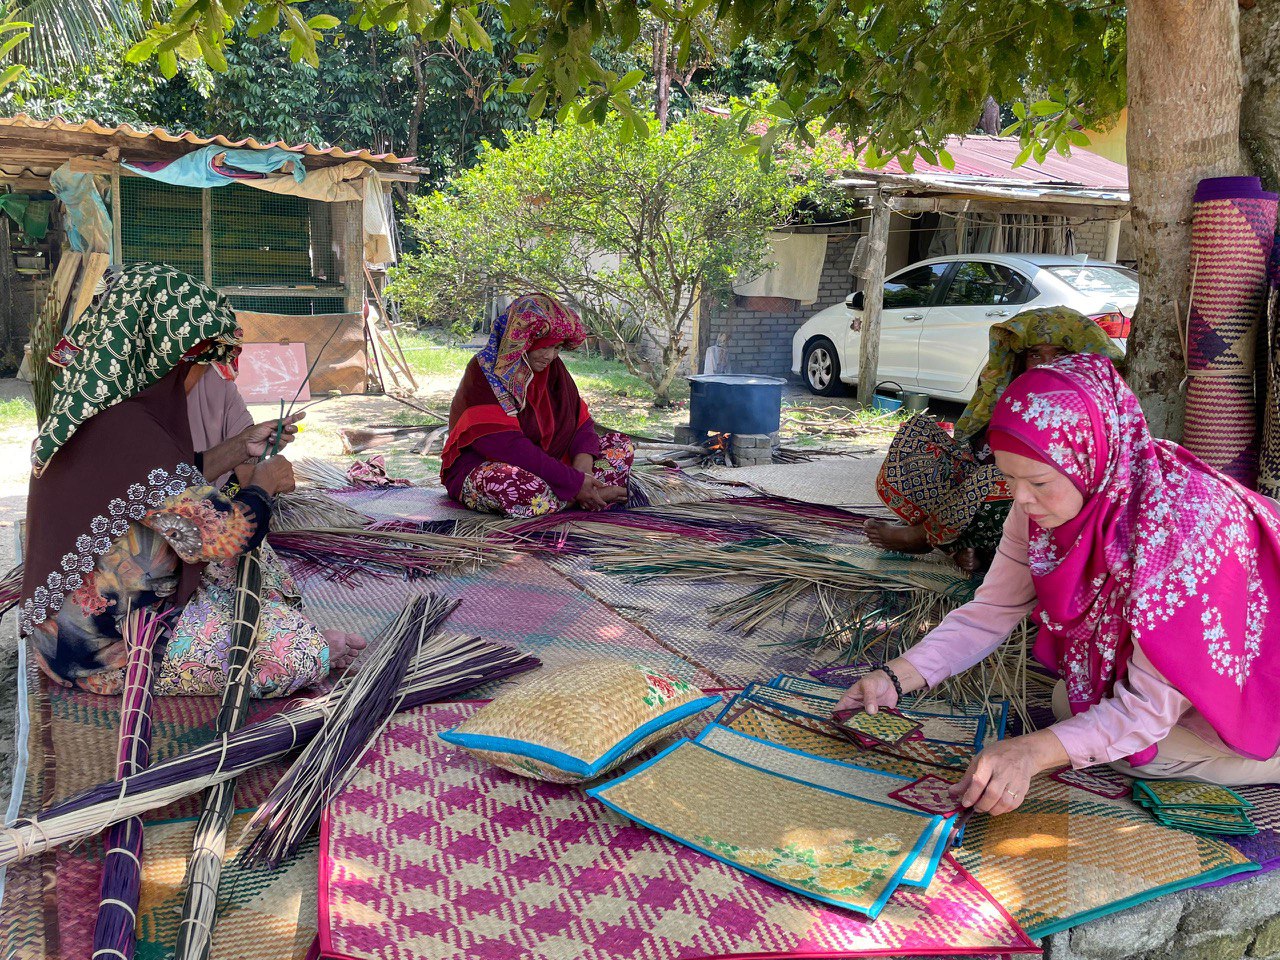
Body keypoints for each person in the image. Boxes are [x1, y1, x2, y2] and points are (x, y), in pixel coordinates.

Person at [836, 353, 1280, 812]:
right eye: (1008, 478)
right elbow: (992, 609)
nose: (1021, 499)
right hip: (1196, 658)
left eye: (1039, 482)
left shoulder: (1179, 535)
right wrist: (895, 677)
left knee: (1141, 755)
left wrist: (1028, 753)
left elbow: (1143, 712)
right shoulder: (1051, 503)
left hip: (1265, 666)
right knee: (1072, 705)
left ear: (1093, 457)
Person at [20, 262, 362, 698]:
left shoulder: (102, 410)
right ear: (166, 359)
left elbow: (156, 488)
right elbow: (226, 536)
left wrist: (240, 447)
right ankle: (307, 646)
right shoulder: (127, 429)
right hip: (99, 654)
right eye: (197, 363)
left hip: (81, 629)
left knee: (264, 574)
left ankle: (253, 623)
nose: (199, 377)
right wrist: (264, 485)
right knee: (292, 651)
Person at [865, 307, 1122, 573]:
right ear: (1021, 361)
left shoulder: (1088, 402)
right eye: (1036, 355)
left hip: (1042, 506)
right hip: (981, 497)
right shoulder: (1010, 393)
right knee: (917, 434)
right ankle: (960, 545)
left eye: (1059, 355)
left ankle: (922, 537)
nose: (1047, 364)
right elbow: (973, 445)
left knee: (993, 478)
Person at [441, 293, 634, 518]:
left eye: (558, 348)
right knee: (510, 484)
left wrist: (583, 472)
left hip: (555, 469)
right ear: (522, 342)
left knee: (620, 444)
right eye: (544, 347)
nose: (550, 356)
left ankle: (577, 495)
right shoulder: (485, 372)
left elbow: (581, 424)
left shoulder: (554, 369)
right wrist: (573, 483)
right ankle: (582, 498)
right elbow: (506, 447)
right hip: (495, 466)